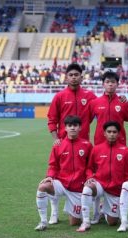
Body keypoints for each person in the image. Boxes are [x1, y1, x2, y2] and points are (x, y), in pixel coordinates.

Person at [46, 63, 96, 224]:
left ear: (81, 77)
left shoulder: (89, 96)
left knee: (85, 175)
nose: (74, 77)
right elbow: (52, 120)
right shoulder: (59, 96)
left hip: (84, 144)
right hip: (64, 144)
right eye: (71, 74)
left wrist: (119, 99)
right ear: (66, 77)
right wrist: (56, 140)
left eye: (77, 74)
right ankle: (54, 211)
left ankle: (91, 209)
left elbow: (103, 107)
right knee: (57, 175)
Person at [34, 115, 93, 231]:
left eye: (75, 125)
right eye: (69, 126)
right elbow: (53, 165)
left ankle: (76, 211)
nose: (72, 128)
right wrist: (50, 176)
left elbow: (90, 166)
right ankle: (43, 222)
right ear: (65, 128)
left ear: (80, 128)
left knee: (74, 223)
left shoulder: (87, 145)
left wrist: (89, 177)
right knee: (43, 187)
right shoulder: (58, 145)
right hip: (62, 182)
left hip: (77, 187)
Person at [77, 121, 128, 232]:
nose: (112, 134)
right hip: (100, 183)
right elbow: (89, 168)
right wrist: (89, 177)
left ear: (119, 134)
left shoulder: (125, 150)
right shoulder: (96, 149)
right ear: (104, 133)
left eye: (114, 132)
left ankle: (103, 208)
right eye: (109, 132)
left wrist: (123, 188)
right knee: (87, 188)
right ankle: (86, 222)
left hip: (115, 189)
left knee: (112, 222)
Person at [88, 71, 128, 145]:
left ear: (117, 84)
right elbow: (86, 121)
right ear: (103, 84)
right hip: (100, 141)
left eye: (113, 82)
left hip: (119, 141)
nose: (110, 84)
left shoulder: (123, 102)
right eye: (107, 82)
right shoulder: (95, 102)